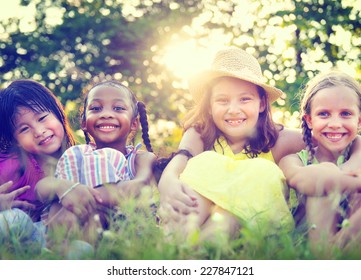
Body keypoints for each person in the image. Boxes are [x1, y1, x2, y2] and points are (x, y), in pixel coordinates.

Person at [158, 47, 306, 242]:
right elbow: (180, 161)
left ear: (261, 104)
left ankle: (196, 252)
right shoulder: (200, 134)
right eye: (222, 100)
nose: (233, 110)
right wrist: (167, 179)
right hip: (197, 217)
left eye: (245, 99)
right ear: (209, 106)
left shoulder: (279, 140)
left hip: (245, 226)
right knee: (204, 162)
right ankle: (177, 245)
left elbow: (329, 136)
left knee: (262, 172)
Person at [0, 79, 100, 252]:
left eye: (42, 118)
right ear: (15, 140)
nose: (39, 132)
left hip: (62, 242)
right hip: (22, 234)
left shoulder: (84, 157)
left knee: (82, 251)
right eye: (24, 129)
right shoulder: (13, 164)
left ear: (58, 113)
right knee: (12, 219)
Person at [48, 80, 156, 236]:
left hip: (126, 230)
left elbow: (138, 185)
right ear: (84, 123)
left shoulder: (140, 158)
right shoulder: (77, 156)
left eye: (118, 108)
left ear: (134, 124)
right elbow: (54, 190)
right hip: (79, 225)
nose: (106, 114)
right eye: (96, 108)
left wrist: (80, 199)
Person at [278, 70, 361, 255]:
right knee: (323, 175)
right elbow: (307, 180)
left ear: (359, 120)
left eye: (346, 114)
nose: (334, 123)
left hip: (351, 233)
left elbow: (355, 164)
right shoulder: (293, 160)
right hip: (309, 241)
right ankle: (325, 257)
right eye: (324, 114)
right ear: (309, 120)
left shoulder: (358, 148)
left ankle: (338, 254)